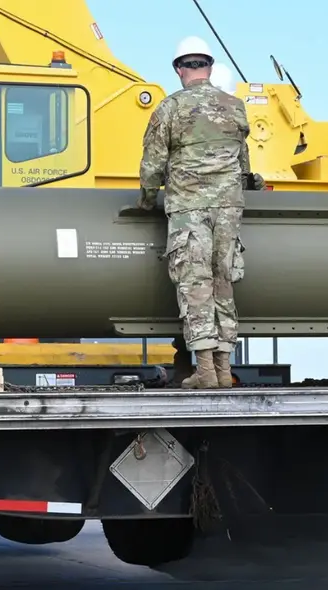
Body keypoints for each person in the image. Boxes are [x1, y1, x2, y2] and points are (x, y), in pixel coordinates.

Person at [138, 36, 253, 389]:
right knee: (223, 283)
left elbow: (153, 165)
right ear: (209, 66)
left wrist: (146, 200)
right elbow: (243, 164)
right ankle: (222, 370)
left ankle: (204, 372)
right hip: (229, 209)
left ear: (179, 69)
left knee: (196, 285)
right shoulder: (235, 107)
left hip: (190, 209)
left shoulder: (170, 108)